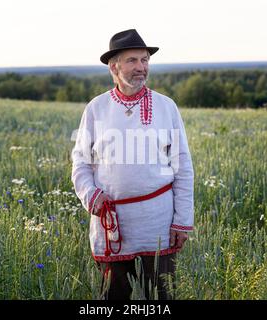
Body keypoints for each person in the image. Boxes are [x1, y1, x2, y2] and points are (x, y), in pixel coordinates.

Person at [71, 29, 194, 300]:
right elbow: (80, 161)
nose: (141, 67)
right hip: (113, 224)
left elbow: (183, 166)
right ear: (113, 66)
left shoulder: (166, 107)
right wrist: (91, 195)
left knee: (162, 296)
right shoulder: (96, 108)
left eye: (145, 60)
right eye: (132, 60)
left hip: (158, 221)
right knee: (113, 296)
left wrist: (182, 221)